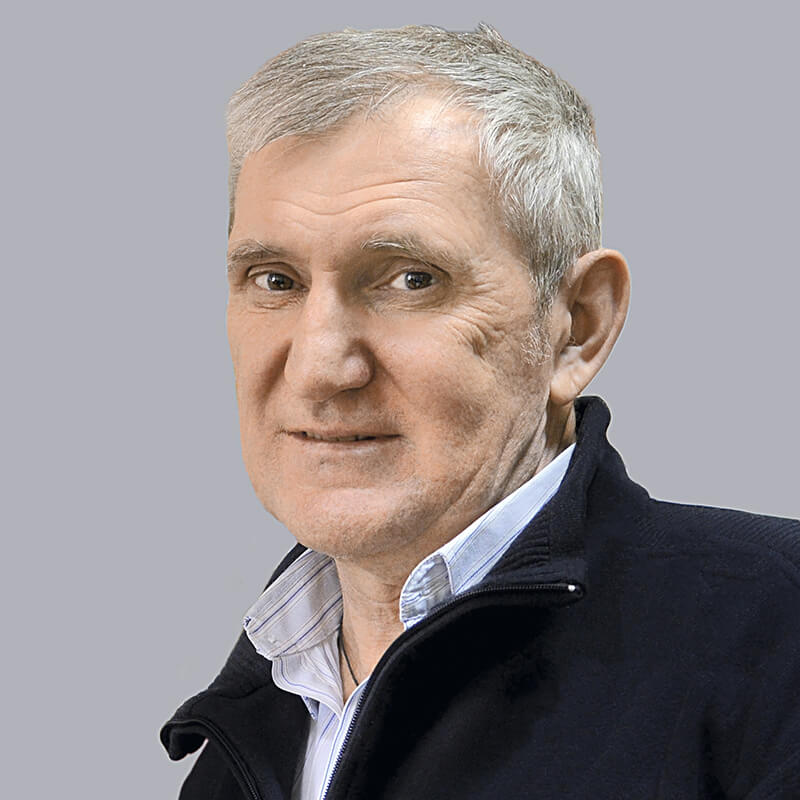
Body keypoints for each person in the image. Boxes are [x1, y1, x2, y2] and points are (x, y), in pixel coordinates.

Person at [161, 24, 800, 800]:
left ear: (577, 326)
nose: (321, 367)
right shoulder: (243, 742)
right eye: (274, 280)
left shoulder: (776, 638)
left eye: (411, 279)